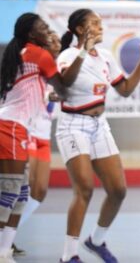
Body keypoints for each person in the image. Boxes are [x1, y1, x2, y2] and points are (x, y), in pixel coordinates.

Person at [55, 9, 140, 263]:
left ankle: (96, 240)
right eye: (94, 24)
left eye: (101, 24)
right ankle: (69, 255)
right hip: (73, 125)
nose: (101, 27)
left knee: (118, 190)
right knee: (85, 189)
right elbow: (65, 82)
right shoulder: (68, 55)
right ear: (80, 29)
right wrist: (82, 51)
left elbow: (124, 90)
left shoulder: (105, 56)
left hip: (99, 126)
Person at [0, 14, 81, 261]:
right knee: (9, 192)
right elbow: (64, 86)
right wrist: (83, 54)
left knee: (22, 193)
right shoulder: (38, 54)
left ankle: (4, 252)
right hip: (10, 128)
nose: (47, 30)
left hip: (16, 127)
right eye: (43, 28)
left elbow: (45, 89)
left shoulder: (27, 53)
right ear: (32, 34)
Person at [18, 32, 61, 228]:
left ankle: (10, 234)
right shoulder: (34, 67)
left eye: (58, 40)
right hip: (29, 132)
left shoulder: (61, 70)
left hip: (45, 135)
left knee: (40, 191)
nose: (57, 43)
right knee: (24, 187)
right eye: (51, 40)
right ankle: (6, 237)